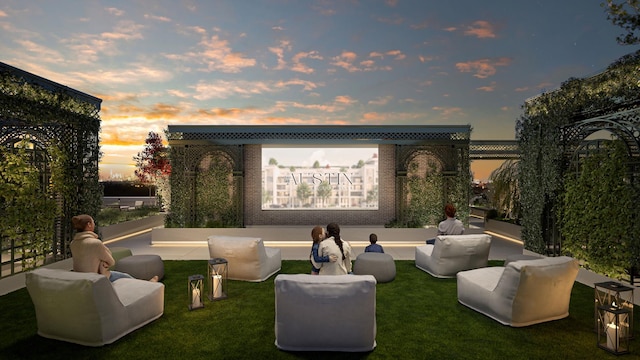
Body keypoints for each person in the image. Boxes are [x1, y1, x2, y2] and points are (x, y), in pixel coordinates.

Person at [70, 214, 158, 282]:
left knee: (124, 276)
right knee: (126, 277)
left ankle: (146, 283)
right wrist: (103, 263)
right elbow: (111, 261)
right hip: (97, 278)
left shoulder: (73, 243)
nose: (94, 224)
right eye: (93, 222)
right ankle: (148, 284)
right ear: (89, 224)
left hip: (80, 278)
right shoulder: (95, 243)